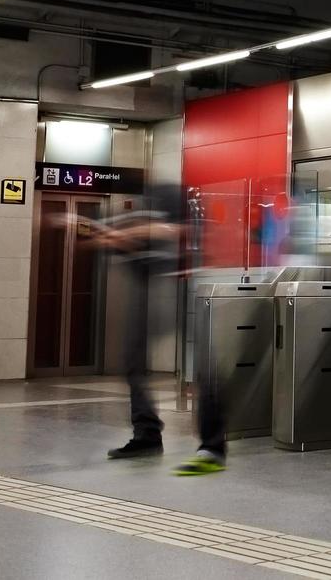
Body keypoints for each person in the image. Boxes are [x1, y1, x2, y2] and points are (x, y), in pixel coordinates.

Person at [93, 185, 228, 476]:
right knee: (132, 362)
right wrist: (113, 238)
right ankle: (147, 435)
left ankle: (212, 447)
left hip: (178, 284)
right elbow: (133, 243)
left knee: (204, 364)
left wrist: (132, 233)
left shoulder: (169, 194)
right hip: (146, 286)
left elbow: (176, 231)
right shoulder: (140, 203)